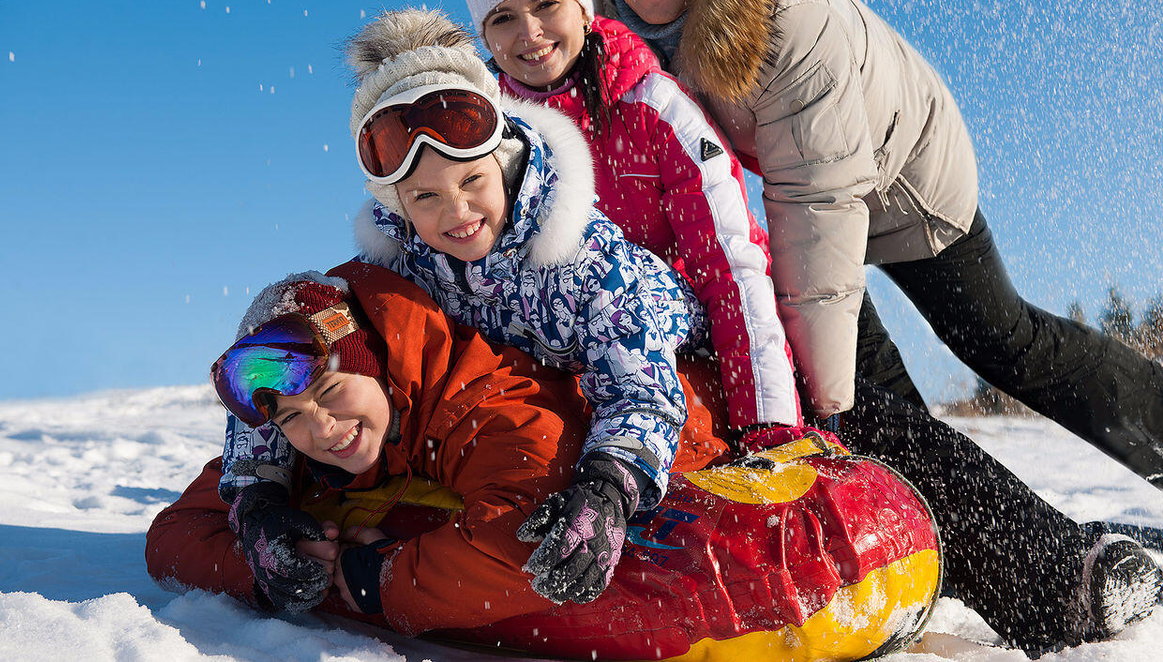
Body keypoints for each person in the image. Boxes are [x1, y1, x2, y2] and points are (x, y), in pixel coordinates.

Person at [574, 0, 1163, 489]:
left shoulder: (776, 11)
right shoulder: (607, 26)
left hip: (904, 175)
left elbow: (816, 197)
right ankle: (945, 527)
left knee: (998, 341)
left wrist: (817, 412)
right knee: (865, 382)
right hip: (801, 184)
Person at [146, 262, 943, 659]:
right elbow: (175, 531)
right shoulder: (301, 450)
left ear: (375, 358)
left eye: (329, 388)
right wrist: (261, 536)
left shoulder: (478, 398)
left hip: (695, 429)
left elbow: (518, 544)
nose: (319, 427)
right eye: (290, 417)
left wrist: (359, 584)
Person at [220, 6, 736, 608]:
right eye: (426, 197)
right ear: (398, 205)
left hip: (670, 400)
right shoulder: (399, 264)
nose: (456, 213)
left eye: (471, 182)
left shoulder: (586, 264)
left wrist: (607, 486)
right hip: (517, 426)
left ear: (505, 157)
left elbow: (641, 388)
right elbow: (288, 357)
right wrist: (257, 498)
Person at [454, 0, 807, 453]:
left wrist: (764, 419)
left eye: (546, 4)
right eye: (502, 19)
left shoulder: (650, 105)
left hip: (684, 362)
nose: (531, 33)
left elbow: (729, 265)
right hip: (556, 383)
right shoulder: (483, 136)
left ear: (583, 8)